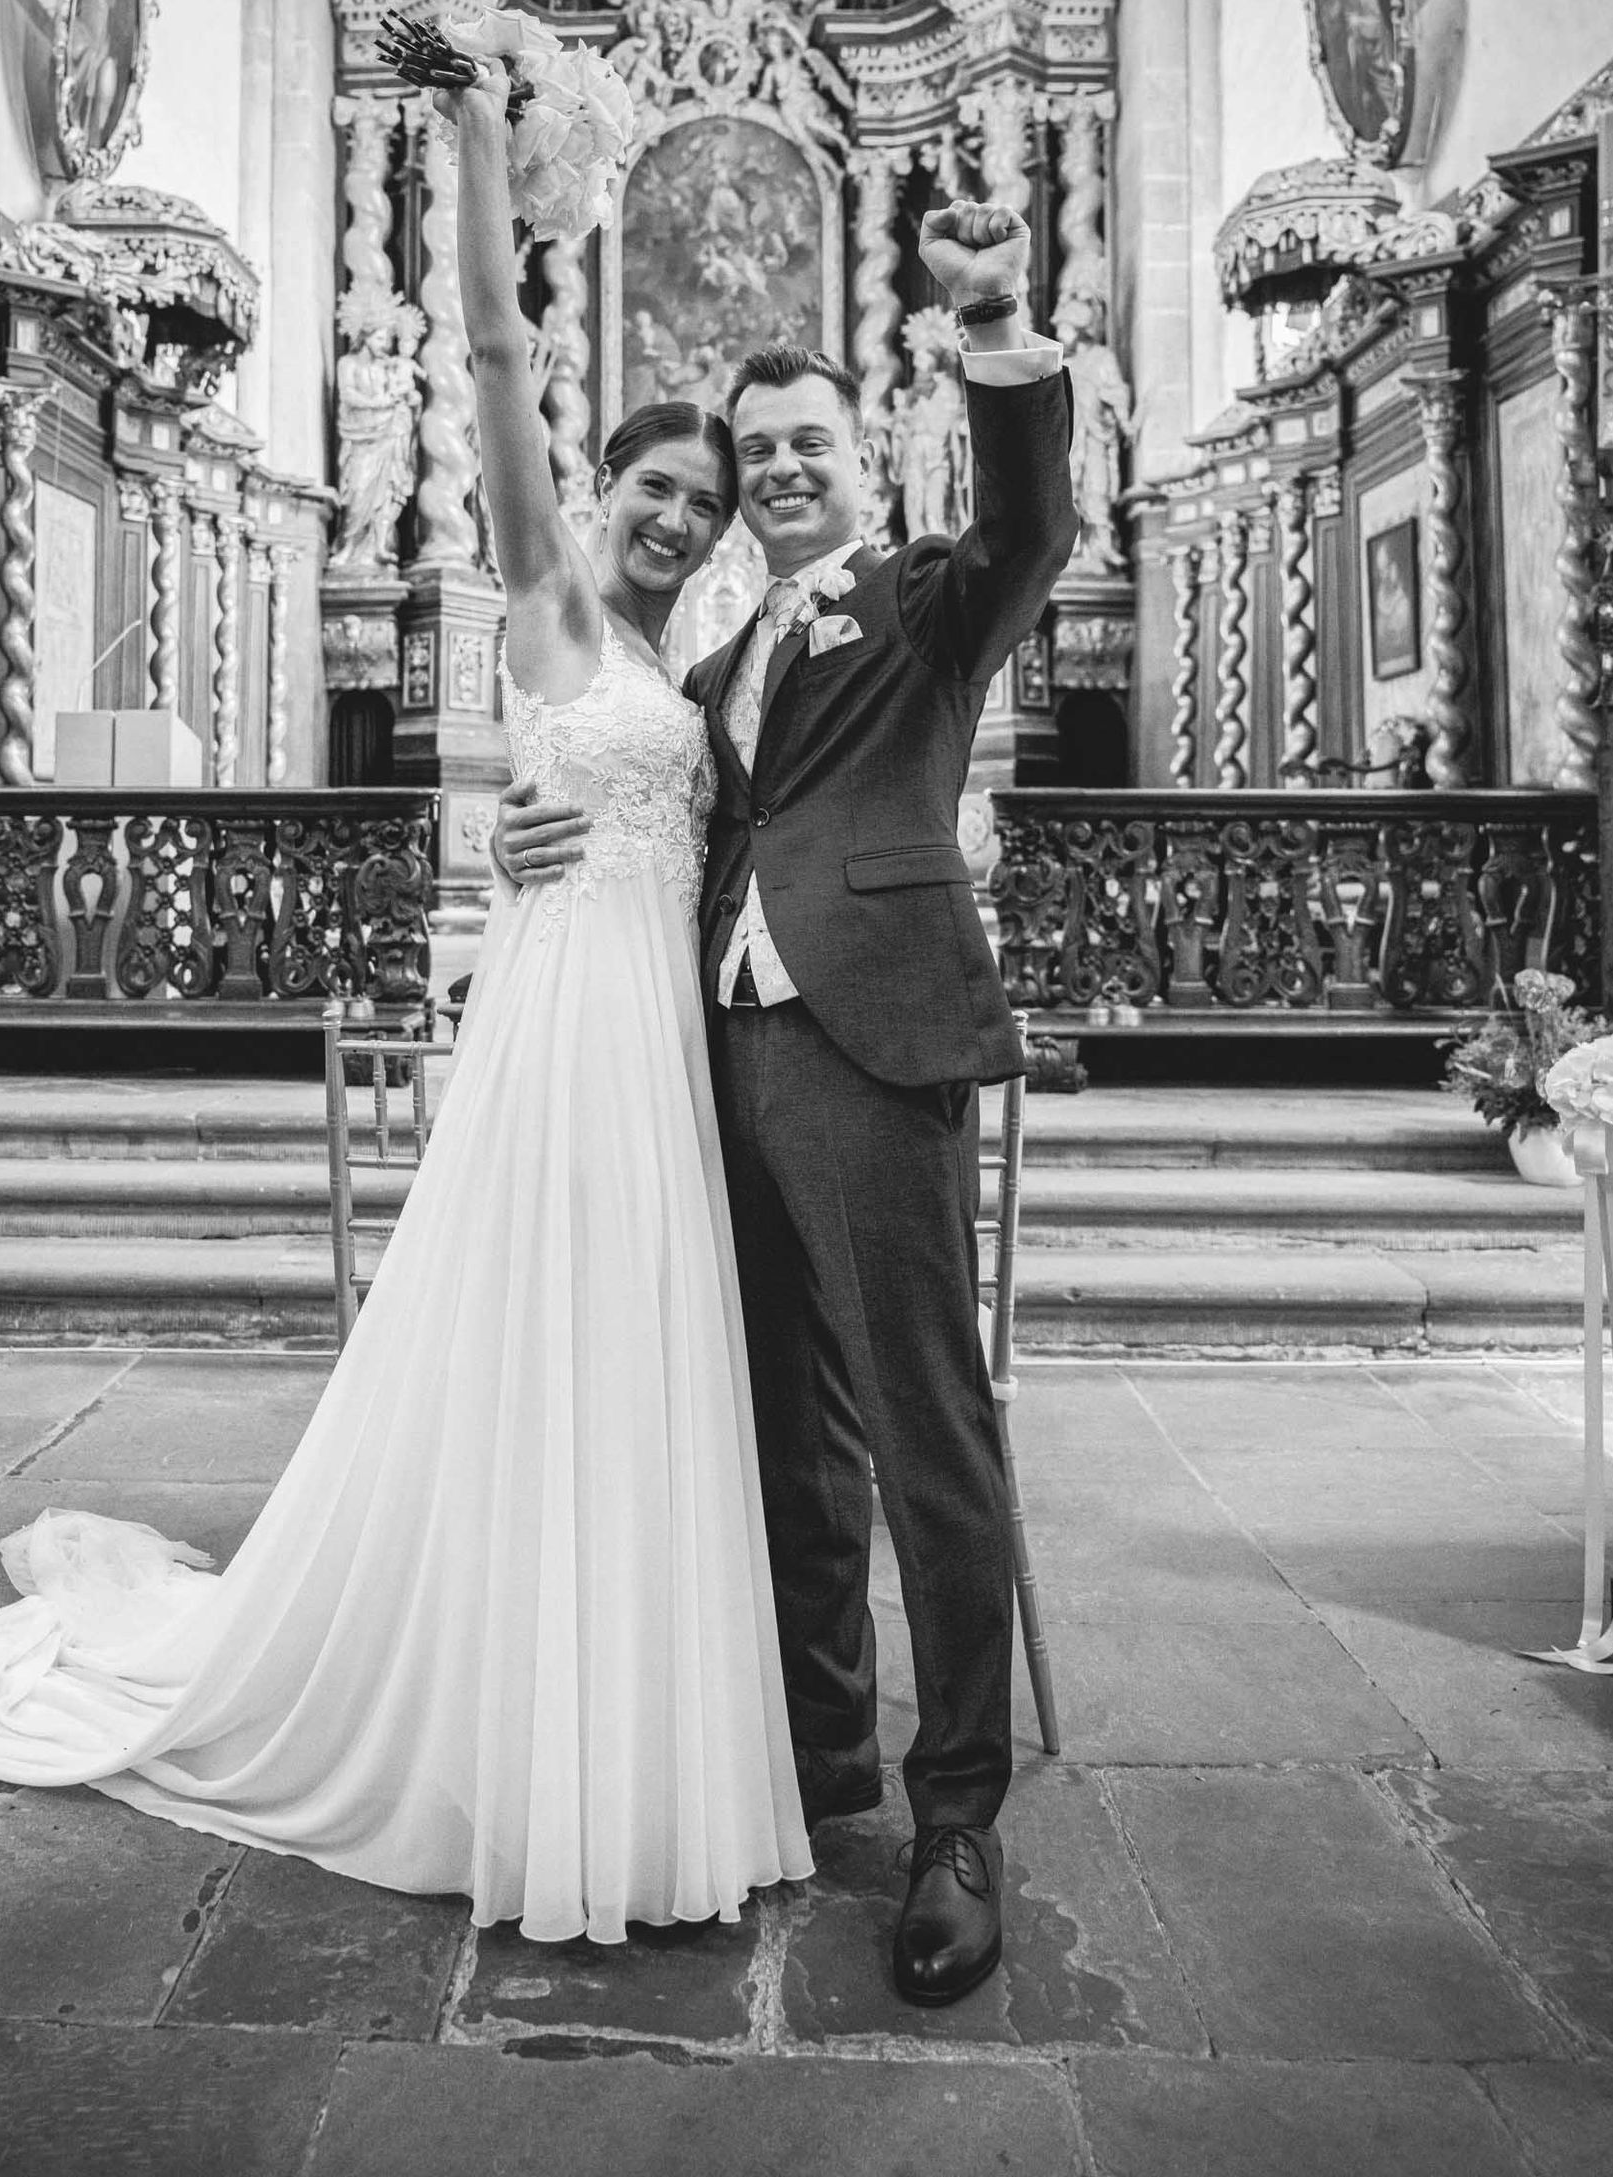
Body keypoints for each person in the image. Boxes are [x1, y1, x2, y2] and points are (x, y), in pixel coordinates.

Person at [0, 65, 811, 1947]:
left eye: (702, 503)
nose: (674, 516)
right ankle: (520, 1732)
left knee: (639, 1364)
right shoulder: (554, 607)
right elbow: (495, 349)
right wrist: (473, 143)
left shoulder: (690, 662)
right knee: (550, 1347)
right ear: (601, 488)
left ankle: (614, 1724)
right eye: (655, 486)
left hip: (659, 1037)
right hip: (568, 1043)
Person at [496, 208, 1076, 2004]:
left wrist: (995, 322)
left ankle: (957, 1817)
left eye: (808, 441)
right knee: (786, 1442)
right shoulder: (716, 658)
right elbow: (648, 816)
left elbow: (1033, 523)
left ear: (862, 452)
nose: (782, 471)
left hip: (870, 1043)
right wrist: (519, 834)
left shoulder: (927, 598)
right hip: (712, 1062)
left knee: (923, 1434)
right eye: (760, 455)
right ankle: (822, 1760)